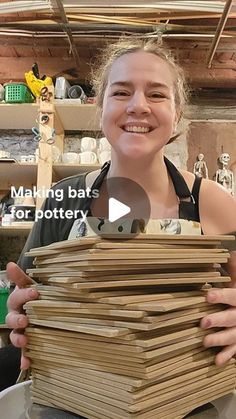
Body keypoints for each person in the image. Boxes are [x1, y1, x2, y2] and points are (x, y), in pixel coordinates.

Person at [4, 37, 236, 388]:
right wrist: (22, 312)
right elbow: (24, 296)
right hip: (78, 391)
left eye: (157, 94)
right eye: (121, 92)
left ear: (178, 114)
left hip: (183, 395)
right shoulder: (65, 198)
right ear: (101, 110)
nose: (138, 106)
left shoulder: (212, 201)